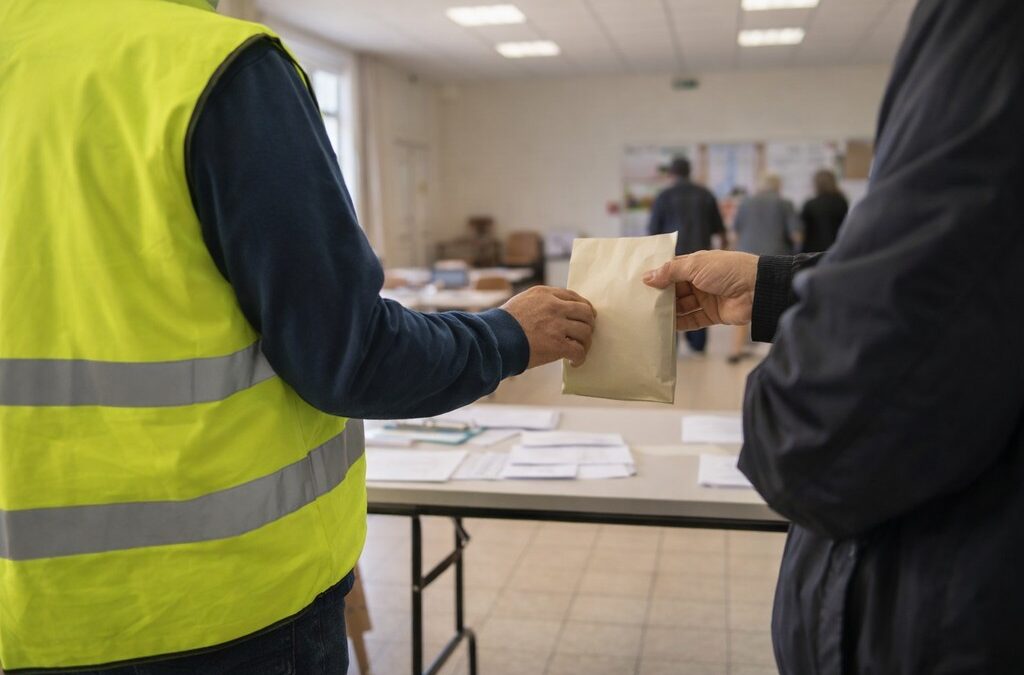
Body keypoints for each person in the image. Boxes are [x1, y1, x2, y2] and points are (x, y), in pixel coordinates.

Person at [0, 1, 596, 673]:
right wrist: (506, 335)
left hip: (21, 620)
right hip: (216, 607)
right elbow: (350, 356)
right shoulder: (214, 68)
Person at [644, 1, 1024, 672]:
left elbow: (814, 438)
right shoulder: (765, 199)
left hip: (951, 609)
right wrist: (772, 283)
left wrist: (787, 395)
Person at [647, 156, 726, 354]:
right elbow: (719, 228)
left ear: (671, 174)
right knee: (702, 296)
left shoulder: (664, 196)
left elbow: (653, 230)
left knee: (670, 298)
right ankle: (698, 345)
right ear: (689, 172)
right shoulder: (705, 194)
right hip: (701, 255)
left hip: (670, 256)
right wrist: (723, 254)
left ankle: (670, 344)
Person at [727, 173, 799, 363]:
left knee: (742, 301)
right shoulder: (784, 204)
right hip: (776, 260)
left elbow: (735, 233)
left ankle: (736, 350)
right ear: (778, 186)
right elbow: (796, 235)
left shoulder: (745, 203)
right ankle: (776, 353)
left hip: (745, 258)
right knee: (778, 304)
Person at [800, 169, 849, 253]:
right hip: (836, 248)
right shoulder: (841, 202)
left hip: (813, 251)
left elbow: (803, 230)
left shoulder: (810, 204)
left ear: (816, 184)